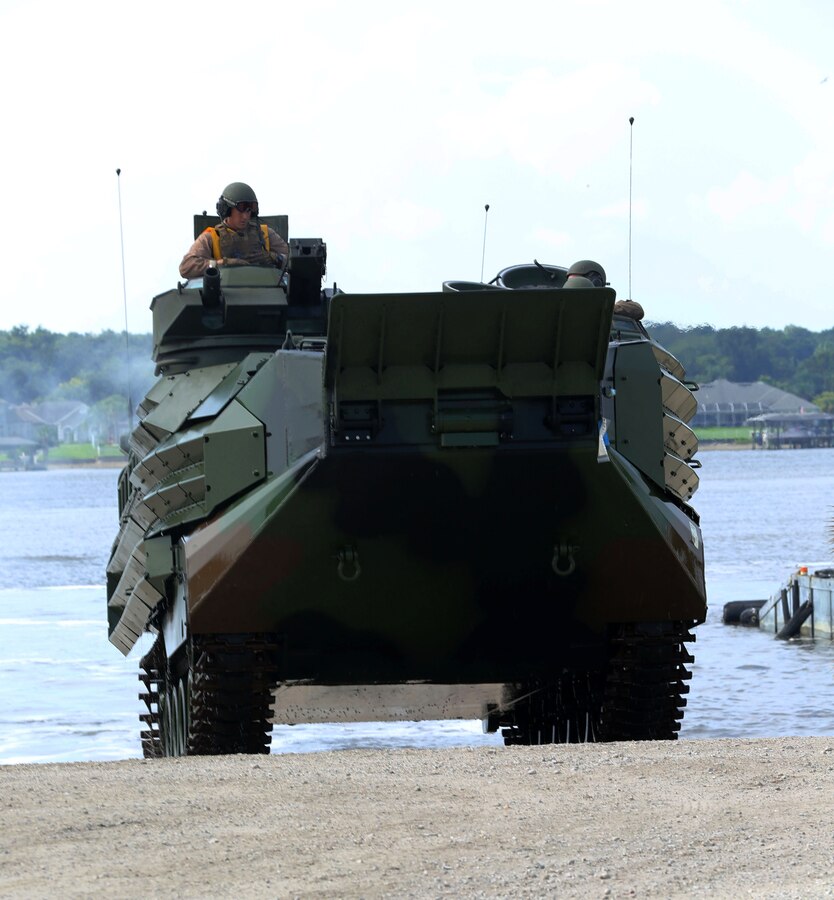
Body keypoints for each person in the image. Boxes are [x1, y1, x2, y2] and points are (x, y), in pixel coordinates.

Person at [179, 182, 290, 278]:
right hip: (226, 296)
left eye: (248, 211)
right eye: (240, 211)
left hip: (267, 293)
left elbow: (294, 260)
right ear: (226, 210)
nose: (245, 216)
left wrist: (275, 258)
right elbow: (186, 267)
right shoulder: (212, 237)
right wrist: (220, 264)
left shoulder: (265, 234)